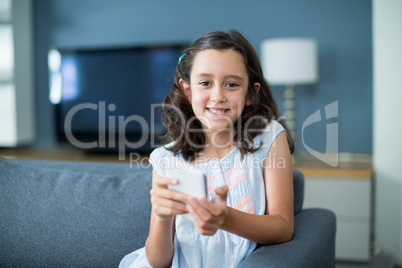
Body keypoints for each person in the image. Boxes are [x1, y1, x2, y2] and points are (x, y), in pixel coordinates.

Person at [120, 30, 295, 268]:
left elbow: (283, 227)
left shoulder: (268, 136)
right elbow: (158, 261)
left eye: (231, 84)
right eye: (205, 83)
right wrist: (163, 217)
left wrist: (226, 218)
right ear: (187, 90)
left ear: (251, 94)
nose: (218, 96)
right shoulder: (167, 159)